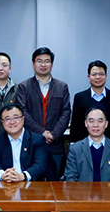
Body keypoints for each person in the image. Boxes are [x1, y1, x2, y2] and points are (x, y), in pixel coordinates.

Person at [17, 47, 71, 176]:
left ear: (52, 64)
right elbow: (22, 112)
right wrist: (41, 132)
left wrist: (53, 135)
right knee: (32, 181)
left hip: (55, 144)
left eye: (47, 61)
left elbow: (66, 112)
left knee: (55, 182)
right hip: (31, 143)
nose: (43, 65)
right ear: (33, 63)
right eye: (39, 61)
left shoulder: (62, 86)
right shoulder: (24, 86)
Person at [0, 104, 51, 182]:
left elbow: (40, 165)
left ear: (23, 119)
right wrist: (3, 175)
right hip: (5, 184)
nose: (12, 122)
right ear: (2, 122)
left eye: (15, 118)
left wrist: (23, 176)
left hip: (30, 184)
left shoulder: (37, 140)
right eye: (7, 119)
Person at [65, 108, 110, 182]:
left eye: (100, 121)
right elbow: (70, 177)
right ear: (86, 123)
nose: (95, 125)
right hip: (82, 189)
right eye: (91, 121)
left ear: (106, 124)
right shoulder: (75, 149)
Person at [69, 60, 110, 143]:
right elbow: (75, 125)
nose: (98, 77)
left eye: (101, 74)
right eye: (94, 74)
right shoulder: (80, 98)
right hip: (85, 145)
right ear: (88, 77)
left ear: (106, 76)